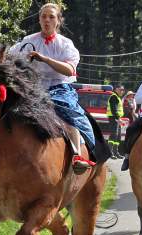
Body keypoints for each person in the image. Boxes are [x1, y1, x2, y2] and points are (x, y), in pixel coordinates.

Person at [10, 3, 95, 173]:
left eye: (51, 17)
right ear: (39, 20)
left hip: (60, 88)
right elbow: (9, 57)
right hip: (32, 87)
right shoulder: (28, 41)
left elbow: (70, 70)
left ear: (58, 21)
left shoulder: (65, 44)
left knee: (68, 114)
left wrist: (45, 59)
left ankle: (77, 155)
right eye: (43, 17)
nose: (47, 20)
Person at [107, 85, 125, 159]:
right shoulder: (114, 97)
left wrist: (119, 118)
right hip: (114, 118)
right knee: (113, 135)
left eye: (123, 90)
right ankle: (110, 153)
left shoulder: (117, 97)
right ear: (116, 89)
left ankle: (116, 152)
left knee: (118, 136)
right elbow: (113, 109)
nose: (122, 91)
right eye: (121, 89)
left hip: (117, 118)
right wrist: (118, 118)